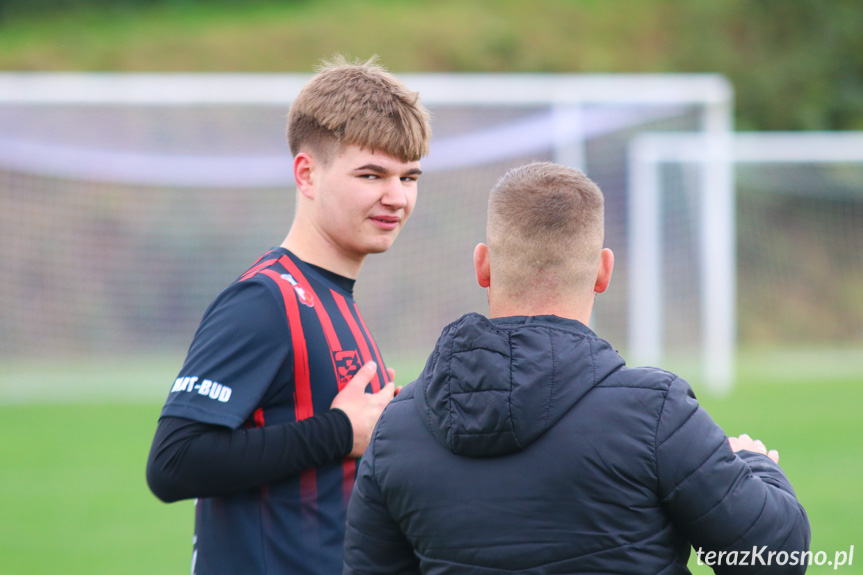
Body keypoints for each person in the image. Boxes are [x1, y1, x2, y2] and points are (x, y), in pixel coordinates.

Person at [343, 162, 810, 574]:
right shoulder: (655, 412)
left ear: (482, 265)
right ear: (603, 272)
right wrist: (757, 467)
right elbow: (774, 561)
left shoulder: (396, 429)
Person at [146, 56, 431, 575]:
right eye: (372, 174)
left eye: (408, 177)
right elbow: (173, 463)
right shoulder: (266, 301)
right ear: (307, 173)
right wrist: (339, 432)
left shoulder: (335, 298)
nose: (397, 197)